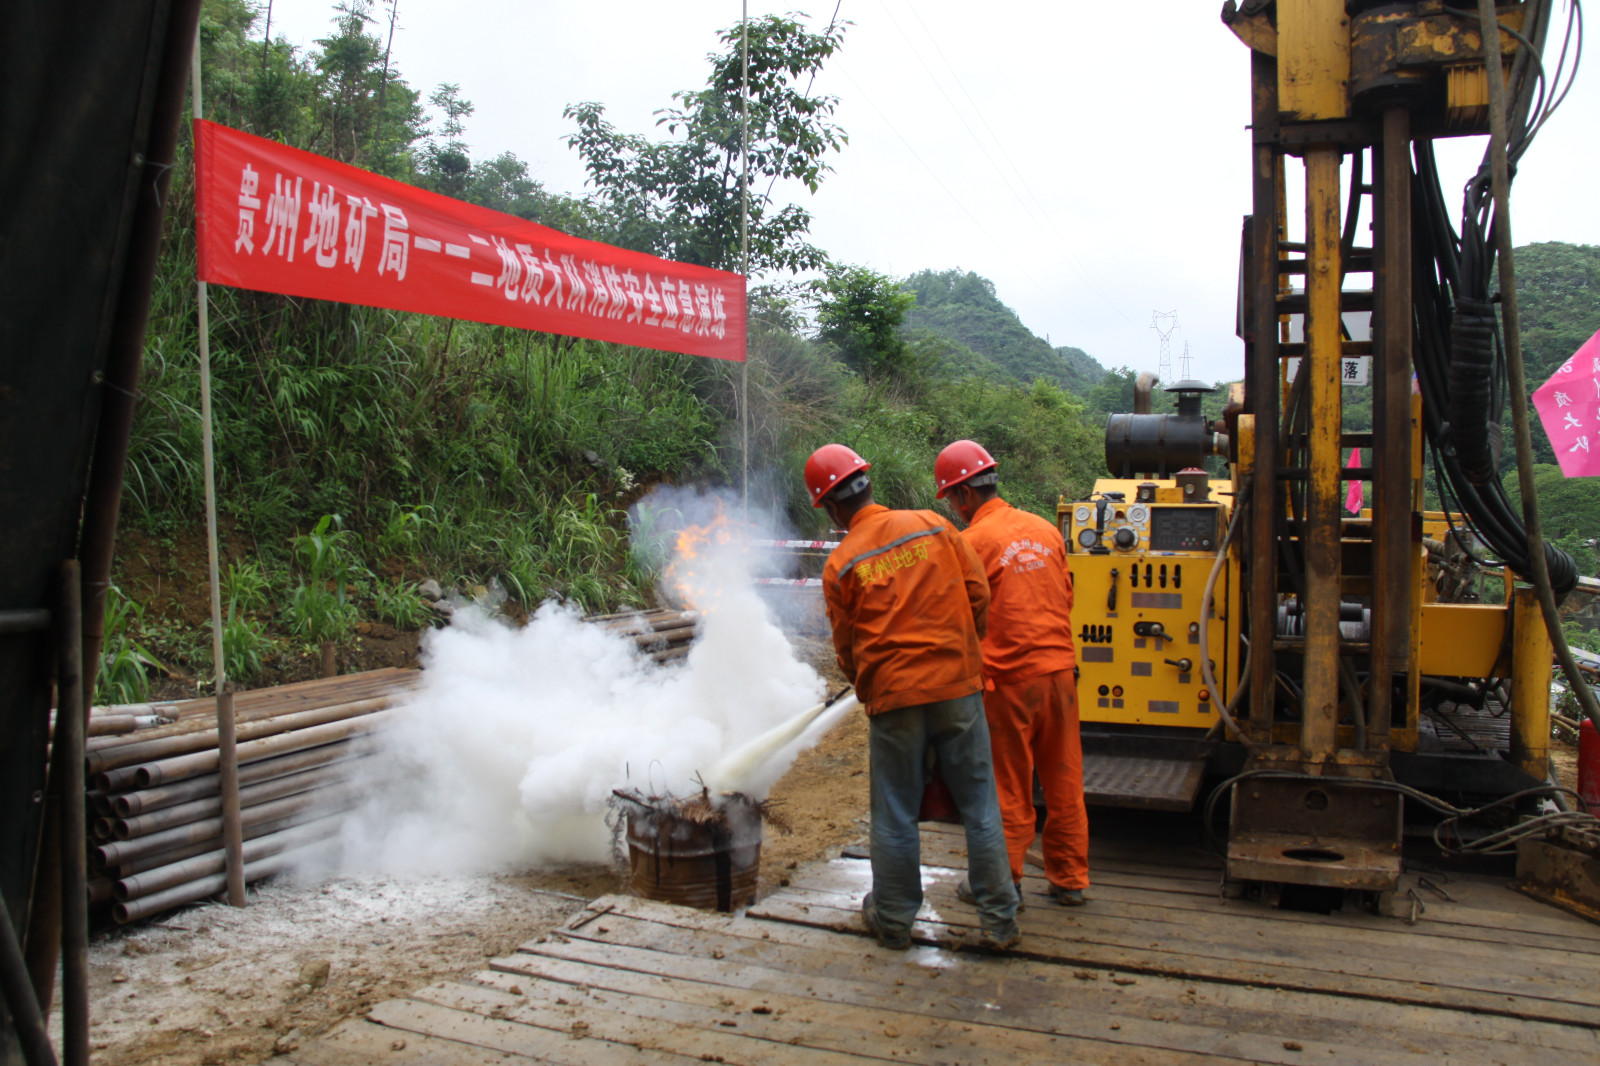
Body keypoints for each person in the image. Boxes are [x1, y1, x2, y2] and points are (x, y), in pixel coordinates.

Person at [804, 443, 1019, 951]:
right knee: (980, 804)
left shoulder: (840, 564)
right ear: (869, 484)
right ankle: (999, 922)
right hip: (957, 686)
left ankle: (895, 920)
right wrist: (962, 651)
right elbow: (978, 595)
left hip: (894, 695)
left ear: (832, 508)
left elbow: (846, 647)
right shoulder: (933, 524)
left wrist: (869, 685)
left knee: (895, 810)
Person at [935, 439, 1090, 906]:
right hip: (1060, 674)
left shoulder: (971, 542)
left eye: (951, 500)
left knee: (1007, 785)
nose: (955, 509)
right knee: (1064, 780)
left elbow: (955, 616)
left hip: (1007, 682)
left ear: (963, 495)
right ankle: (1070, 880)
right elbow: (1065, 597)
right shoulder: (1044, 529)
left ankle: (1004, 881)